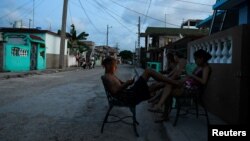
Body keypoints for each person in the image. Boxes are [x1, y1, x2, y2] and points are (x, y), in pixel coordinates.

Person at [149, 49, 212, 121]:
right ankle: (159, 105)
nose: (195, 61)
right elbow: (189, 76)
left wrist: (192, 76)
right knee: (168, 85)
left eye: (196, 59)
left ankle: (162, 109)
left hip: (194, 90)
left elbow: (203, 81)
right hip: (187, 85)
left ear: (201, 58)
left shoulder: (206, 68)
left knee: (168, 88)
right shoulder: (198, 67)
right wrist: (184, 78)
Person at [102, 57, 178, 105]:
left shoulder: (111, 75)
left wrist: (129, 82)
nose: (116, 67)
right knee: (148, 71)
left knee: (154, 85)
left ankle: (171, 83)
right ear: (108, 65)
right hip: (129, 96)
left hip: (129, 93)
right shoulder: (107, 77)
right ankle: (173, 82)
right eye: (114, 65)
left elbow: (122, 84)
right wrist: (127, 84)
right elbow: (115, 91)